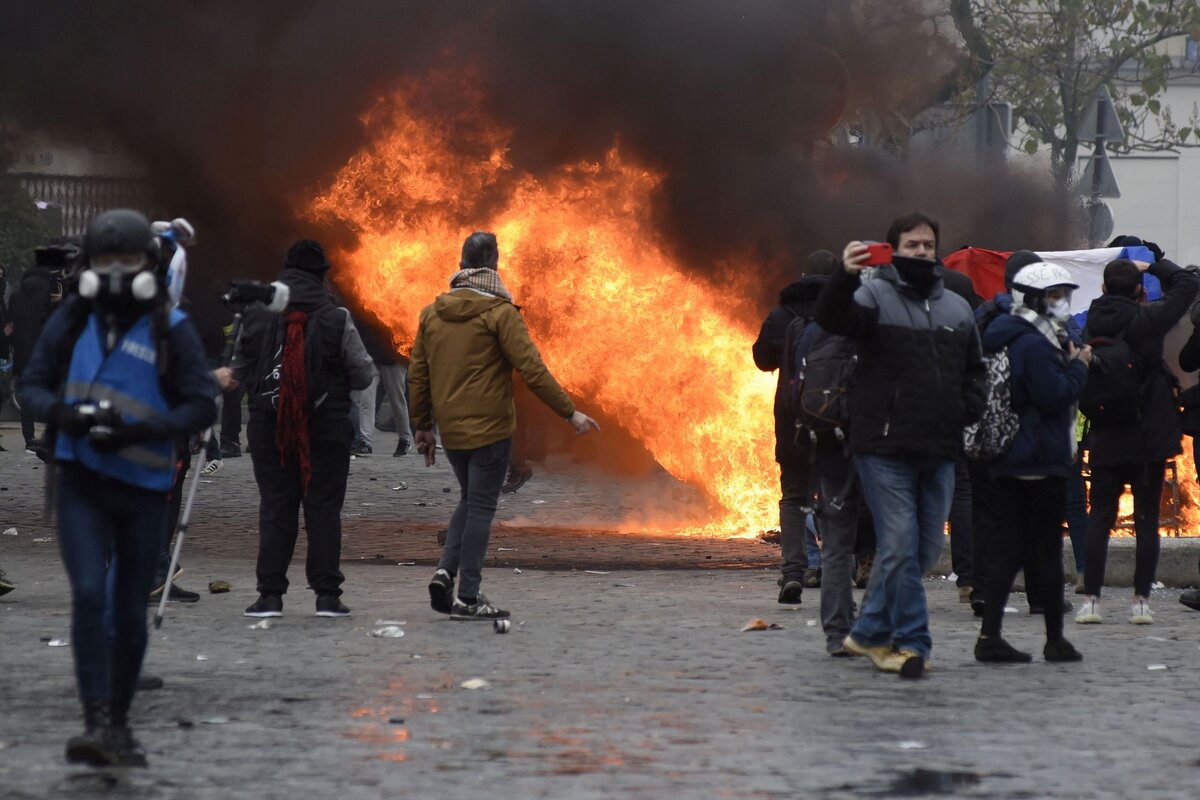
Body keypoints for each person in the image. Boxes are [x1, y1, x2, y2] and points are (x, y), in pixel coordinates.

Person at [19, 209, 217, 766]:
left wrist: (147, 426)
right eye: (106, 262)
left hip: (143, 487)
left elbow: (201, 402)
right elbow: (30, 386)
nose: (116, 272)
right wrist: (65, 415)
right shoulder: (72, 319)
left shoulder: (169, 327)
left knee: (128, 611)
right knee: (86, 595)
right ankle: (96, 721)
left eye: (127, 262)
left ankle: (120, 722)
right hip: (80, 478)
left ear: (150, 266)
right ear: (88, 264)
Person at [816, 212, 985, 679]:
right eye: (912, 245)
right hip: (883, 446)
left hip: (939, 445)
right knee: (900, 542)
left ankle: (868, 630)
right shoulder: (873, 296)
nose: (922, 253)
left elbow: (976, 369)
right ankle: (914, 643)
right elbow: (833, 318)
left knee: (924, 550)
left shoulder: (956, 308)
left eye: (928, 245)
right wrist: (843, 275)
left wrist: (966, 408)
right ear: (894, 250)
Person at [412, 231, 599, 621]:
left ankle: (445, 572)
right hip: (492, 430)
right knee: (481, 506)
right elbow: (532, 370)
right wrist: (570, 412)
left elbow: (418, 374)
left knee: (469, 499)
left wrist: (423, 427)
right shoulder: (501, 314)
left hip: (453, 432)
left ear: (461, 264)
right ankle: (468, 595)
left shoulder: (432, 314)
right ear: (494, 265)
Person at [233, 240, 377, 619]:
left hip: (269, 429)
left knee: (276, 508)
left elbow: (240, 371)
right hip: (325, 429)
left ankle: (270, 596)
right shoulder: (336, 318)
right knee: (324, 510)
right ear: (321, 276)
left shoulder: (257, 314)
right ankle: (327, 597)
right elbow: (363, 375)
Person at [974, 262, 1088, 664]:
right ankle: (1052, 639)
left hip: (1012, 457)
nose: (1062, 303)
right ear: (1035, 299)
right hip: (1037, 456)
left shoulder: (1008, 333)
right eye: (1055, 296)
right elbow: (1053, 397)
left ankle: (993, 635)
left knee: (1014, 548)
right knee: (1041, 550)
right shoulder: (1035, 343)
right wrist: (1078, 368)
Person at [1076, 251, 1198, 625]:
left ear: (1102, 288)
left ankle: (1092, 600)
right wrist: (1155, 264)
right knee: (1146, 520)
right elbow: (1189, 283)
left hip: (1106, 434)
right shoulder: (1148, 318)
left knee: (1099, 518)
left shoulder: (1092, 323)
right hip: (1148, 436)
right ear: (1139, 292)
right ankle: (1141, 601)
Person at [752, 249, 840, 604]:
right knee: (835, 496)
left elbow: (762, 360)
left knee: (794, 497)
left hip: (794, 420)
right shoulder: (847, 313)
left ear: (803, 275)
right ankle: (837, 568)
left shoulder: (783, 313)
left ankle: (794, 571)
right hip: (837, 419)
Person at [8, 256, 57, 453]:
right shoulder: (49, 295)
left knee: (25, 397)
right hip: (44, 353)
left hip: (22, 354)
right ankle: (50, 436)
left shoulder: (17, 296)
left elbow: (11, 325)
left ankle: (28, 438)